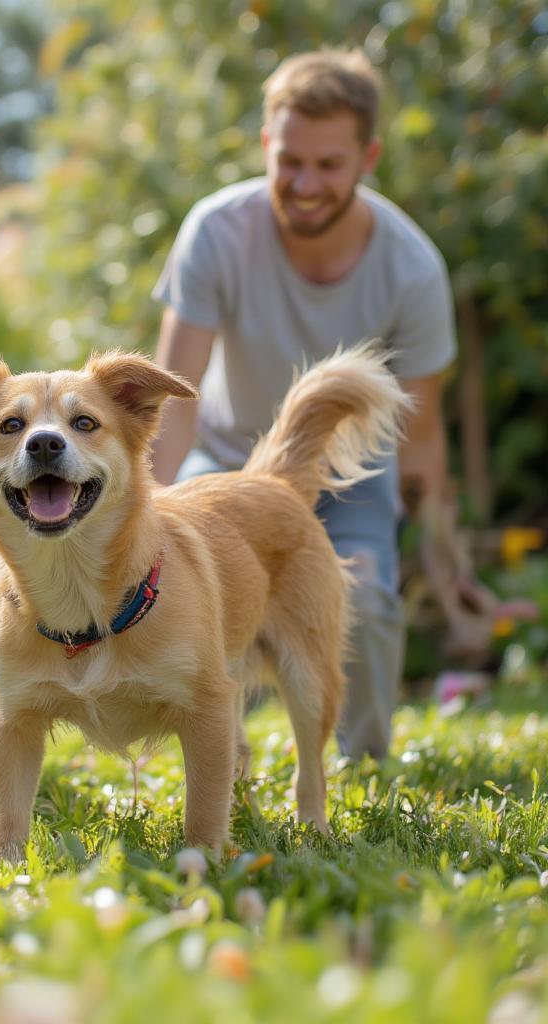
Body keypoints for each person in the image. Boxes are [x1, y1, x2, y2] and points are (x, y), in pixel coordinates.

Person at [151, 48, 463, 760]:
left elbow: (421, 433)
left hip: (350, 479)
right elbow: (175, 396)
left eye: (328, 165)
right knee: (202, 589)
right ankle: (222, 761)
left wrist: (438, 546)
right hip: (226, 458)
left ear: (368, 155)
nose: (305, 183)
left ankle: (362, 766)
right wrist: (153, 505)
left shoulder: (412, 269)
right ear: (266, 144)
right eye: (289, 160)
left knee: (371, 597)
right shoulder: (216, 231)